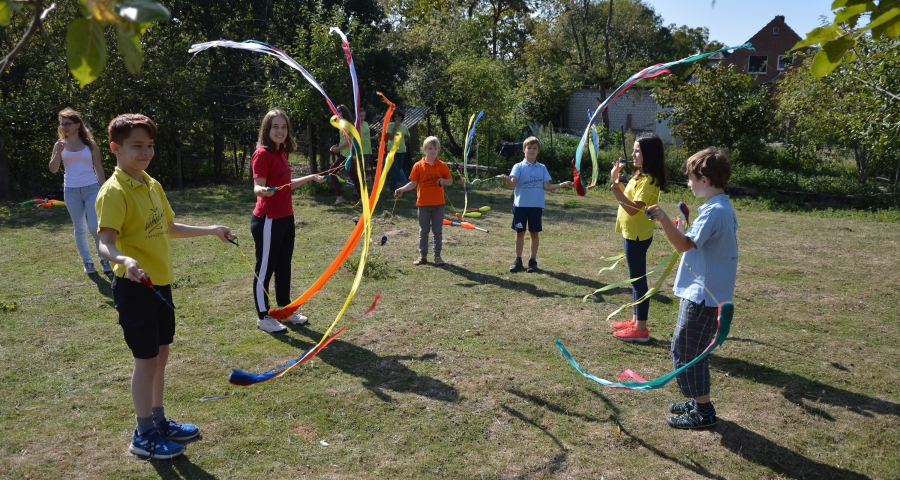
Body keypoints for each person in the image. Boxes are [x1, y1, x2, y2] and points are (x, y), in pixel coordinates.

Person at [96, 113, 236, 459]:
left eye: (150, 146)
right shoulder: (113, 191)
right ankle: (143, 434)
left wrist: (211, 230)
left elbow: (168, 226)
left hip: (160, 284)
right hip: (135, 287)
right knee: (145, 361)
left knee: (160, 354)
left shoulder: (151, 183)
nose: (145, 152)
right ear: (115, 148)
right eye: (137, 146)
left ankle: (158, 420)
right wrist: (123, 261)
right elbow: (104, 241)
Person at [645, 147, 738, 429]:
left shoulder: (714, 212)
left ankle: (704, 411)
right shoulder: (720, 208)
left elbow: (684, 244)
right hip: (708, 294)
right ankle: (698, 401)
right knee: (691, 349)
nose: (689, 182)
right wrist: (680, 227)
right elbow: (696, 242)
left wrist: (663, 220)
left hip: (703, 297)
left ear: (705, 180)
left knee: (687, 352)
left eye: (691, 178)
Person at [252, 109, 327, 334]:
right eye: (275, 126)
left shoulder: (280, 153)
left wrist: (311, 177)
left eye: (283, 127)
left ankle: (284, 310)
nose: (280, 131)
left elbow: (287, 184)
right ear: (267, 130)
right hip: (268, 221)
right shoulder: (262, 154)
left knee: (284, 267)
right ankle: (263, 317)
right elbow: (257, 186)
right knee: (265, 270)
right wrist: (262, 190)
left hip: (286, 218)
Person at [608, 132, 668, 342]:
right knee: (635, 280)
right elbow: (628, 197)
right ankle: (635, 321)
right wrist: (616, 179)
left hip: (637, 235)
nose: (633, 154)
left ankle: (640, 329)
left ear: (648, 154)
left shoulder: (650, 180)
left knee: (638, 281)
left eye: (637, 151)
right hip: (630, 233)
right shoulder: (639, 174)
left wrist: (615, 190)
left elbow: (634, 209)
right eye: (633, 150)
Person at [48, 108, 111, 274]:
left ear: (77, 125)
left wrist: (103, 188)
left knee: (94, 226)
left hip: (92, 189)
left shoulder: (90, 145)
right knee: (80, 228)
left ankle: (104, 259)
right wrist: (57, 153)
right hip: (71, 191)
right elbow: (53, 169)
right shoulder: (60, 145)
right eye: (62, 124)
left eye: (68, 123)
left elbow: (98, 167)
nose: (64, 127)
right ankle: (87, 262)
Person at [500, 136, 574, 273]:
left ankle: (532, 261)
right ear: (524, 150)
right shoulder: (518, 167)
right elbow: (513, 184)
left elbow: (547, 186)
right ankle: (518, 260)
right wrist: (507, 180)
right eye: (529, 148)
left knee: (534, 233)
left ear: (538, 151)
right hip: (520, 206)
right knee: (520, 232)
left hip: (536, 206)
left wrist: (562, 184)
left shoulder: (542, 168)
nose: (532, 150)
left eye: (534, 148)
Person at [394, 136, 452, 266]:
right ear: (424, 150)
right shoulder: (418, 166)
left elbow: (450, 181)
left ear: (438, 150)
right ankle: (423, 256)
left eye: (435, 148)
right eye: (430, 148)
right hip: (423, 205)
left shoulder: (442, 165)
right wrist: (402, 189)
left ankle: (437, 257)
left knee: (437, 232)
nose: (432, 151)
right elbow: (413, 183)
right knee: (423, 231)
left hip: (438, 205)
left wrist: (443, 181)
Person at [329, 105, 362, 206]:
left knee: (332, 171)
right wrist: (337, 146)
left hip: (347, 155)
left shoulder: (345, 124)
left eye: (337, 111)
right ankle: (362, 198)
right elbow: (345, 141)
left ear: (341, 112)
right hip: (347, 154)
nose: (335, 113)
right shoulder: (343, 124)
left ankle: (340, 197)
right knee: (353, 176)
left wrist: (338, 149)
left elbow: (348, 141)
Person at [385, 110, 410, 192]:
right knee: (395, 169)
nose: (397, 118)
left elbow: (408, 136)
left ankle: (392, 188)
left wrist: (403, 142)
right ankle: (393, 189)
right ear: (393, 118)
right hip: (392, 151)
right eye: (396, 117)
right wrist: (395, 127)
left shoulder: (404, 127)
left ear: (401, 118)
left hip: (402, 151)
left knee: (398, 169)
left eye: (399, 117)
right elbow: (390, 137)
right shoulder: (390, 125)